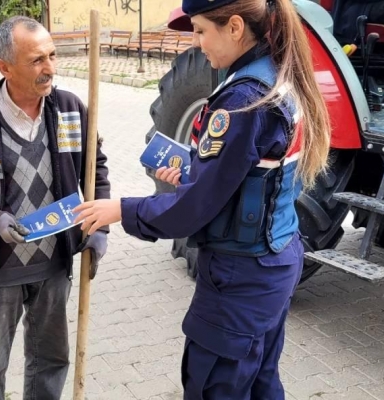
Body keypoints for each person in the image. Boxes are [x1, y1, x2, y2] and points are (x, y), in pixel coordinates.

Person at [72, 0, 331, 398]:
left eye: (200, 30)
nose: (196, 43)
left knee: (216, 386)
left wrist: (120, 209)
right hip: (274, 260)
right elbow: (251, 173)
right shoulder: (275, 74)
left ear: (234, 27)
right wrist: (195, 174)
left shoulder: (243, 100)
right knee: (261, 382)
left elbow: (191, 211)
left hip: (239, 277)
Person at [0, 16, 111, 400]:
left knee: (51, 360)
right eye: (36, 60)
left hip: (54, 265)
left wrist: (96, 233)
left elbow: (97, 171)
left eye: (52, 56)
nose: (50, 69)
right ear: (4, 67)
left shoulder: (70, 110)